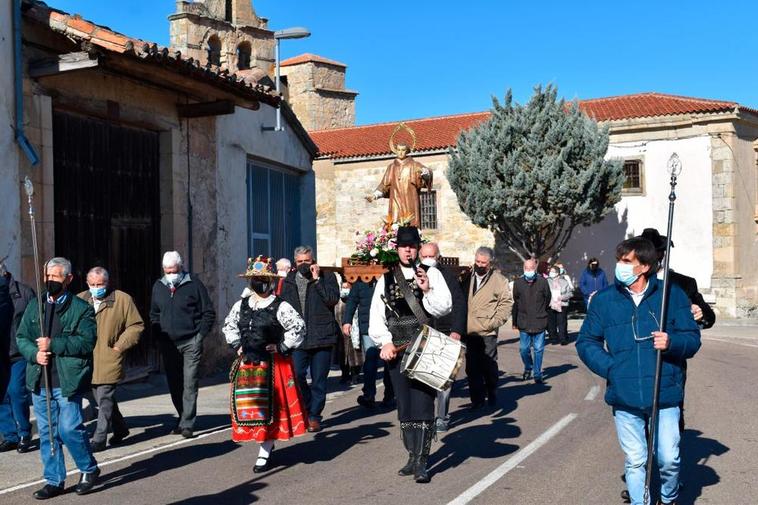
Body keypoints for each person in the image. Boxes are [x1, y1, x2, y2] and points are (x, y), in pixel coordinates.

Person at [577, 237, 701, 505]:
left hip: (664, 392)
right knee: (636, 461)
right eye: (619, 260)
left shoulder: (671, 295)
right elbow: (586, 342)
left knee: (669, 459)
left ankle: (668, 498)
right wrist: (611, 368)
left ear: (644, 266)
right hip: (624, 395)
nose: (619, 266)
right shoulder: (604, 300)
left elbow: (692, 338)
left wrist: (672, 342)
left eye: (626, 261)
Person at [369, 226, 452, 483]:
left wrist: (426, 289)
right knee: (405, 406)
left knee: (424, 405)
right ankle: (412, 456)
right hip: (398, 351)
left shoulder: (431, 274)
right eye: (404, 246)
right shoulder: (385, 279)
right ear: (397, 249)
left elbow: (444, 306)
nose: (408, 250)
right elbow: (375, 316)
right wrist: (383, 342)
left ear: (417, 248)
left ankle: (423, 461)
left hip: (425, 350)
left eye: (412, 246)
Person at [15, 257, 100, 498]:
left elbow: (86, 342)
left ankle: (88, 468)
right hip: (40, 380)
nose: (50, 281)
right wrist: (34, 354)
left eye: (56, 277)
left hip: (66, 381)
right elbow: (22, 337)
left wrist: (54, 344)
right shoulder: (36, 306)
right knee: (47, 434)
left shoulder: (81, 309)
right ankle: (54, 479)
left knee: (69, 428)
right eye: (48, 277)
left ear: (69, 279)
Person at [222, 256, 307, 473]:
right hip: (248, 364)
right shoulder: (241, 305)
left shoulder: (280, 305)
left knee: (270, 409)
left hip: (272, 365)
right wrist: (237, 345)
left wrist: (281, 347)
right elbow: (229, 326)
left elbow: (298, 327)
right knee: (252, 407)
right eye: (255, 278)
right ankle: (264, 446)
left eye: (262, 278)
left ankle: (264, 450)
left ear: (270, 281)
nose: (258, 281)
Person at [150, 251, 216, 439]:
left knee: (190, 382)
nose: (171, 273)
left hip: (190, 342)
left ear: (181, 267)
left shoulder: (194, 285)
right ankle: (181, 417)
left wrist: (200, 336)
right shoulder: (158, 286)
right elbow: (154, 313)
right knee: (174, 383)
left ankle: (188, 423)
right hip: (168, 344)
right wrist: (158, 336)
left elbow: (208, 312)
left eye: (174, 270)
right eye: (167, 270)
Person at [78, 267, 144, 452]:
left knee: (105, 397)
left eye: (100, 284)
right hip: (87, 358)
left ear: (108, 283)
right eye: (93, 284)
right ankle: (121, 428)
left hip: (109, 357)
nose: (96, 287)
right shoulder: (80, 299)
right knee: (100, 398)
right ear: (87, 283)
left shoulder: (122, 299)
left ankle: (99, 438)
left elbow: (136, 325)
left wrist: (119, 346)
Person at [280, 246, 340, 433]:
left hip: (322, 336)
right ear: (295, 262)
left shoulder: (327, 277)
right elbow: (282, 309)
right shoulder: (288, 282)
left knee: (319, 380)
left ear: (313, 260)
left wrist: (317, 280)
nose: (304, 265)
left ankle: (314, 416)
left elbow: (332, 300)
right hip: (298, 338)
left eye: (307, 261)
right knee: (297, 375)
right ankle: (306, 407)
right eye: (300, 262)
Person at [419, 243, 467, 431]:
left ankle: (442, 418)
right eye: (425, 256)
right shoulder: (415, 275)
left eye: (432, 255)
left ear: (438, 256)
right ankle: (425, 415)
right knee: (425, 376)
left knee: (445, 377)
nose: (428, 259)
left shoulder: (448, 276)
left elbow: (459, 303)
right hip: (426, 330)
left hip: (447, 332)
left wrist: (456, 330)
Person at [460, 246, 511, 410]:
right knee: (472, 368)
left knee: (488, 366)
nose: (479, 265)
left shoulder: (499, 280)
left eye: (483, 263)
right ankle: (477, 400)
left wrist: (494, 322)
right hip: (469, 331)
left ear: (490, 263)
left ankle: (492, 389)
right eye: (477, 261)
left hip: (487, 332)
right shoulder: (467, 277)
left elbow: (506, 304)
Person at [343, 278, 395, 409]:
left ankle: (389, 395)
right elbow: (352, 301)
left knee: (389, 361)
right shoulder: (360, 282)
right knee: (370, 360)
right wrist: (347, 321)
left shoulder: (389, 278)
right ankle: (369, 394)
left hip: (390, 327)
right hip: (368, 327)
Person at [0, 264, 35, 453]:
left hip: (18, 353)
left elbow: (37, 320)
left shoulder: (24, 292)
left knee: (15, 391)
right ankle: (9, 435)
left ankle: (24, 432)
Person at [365, 142, 433, 227]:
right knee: (395, 223)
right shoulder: (391, 167)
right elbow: (384, 185)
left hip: (410, 201)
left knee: (410, 224)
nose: (401, 152)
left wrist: (425, 173)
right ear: (396, 151)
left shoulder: (414, 165)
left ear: (407, 151)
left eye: (403, 150)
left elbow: (427, 174)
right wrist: (374, 195)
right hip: (395, 201)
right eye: (399, 150)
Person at [512, 259, 551, 384]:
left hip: (539, 320)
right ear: (523, 269)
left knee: (539, 349)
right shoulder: (518, 283)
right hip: (524, 322)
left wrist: (540, 311)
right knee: (524, 349)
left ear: (535, 268)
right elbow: (516, 301)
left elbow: (547, 299)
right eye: (526, 268)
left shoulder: (543, 282)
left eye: (531, 268)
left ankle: (537, 373)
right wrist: (515, 321)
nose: (529, 271)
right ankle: (528, 367)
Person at [335, 280, 363, 385]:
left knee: (355, 349)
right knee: (341, 349)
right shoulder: (336, 280)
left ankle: (355, 374)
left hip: (354, 321)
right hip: (339, 318)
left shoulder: (355, 281)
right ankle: (345, 373)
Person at [547, 265, 572, 345]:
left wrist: (563, 297)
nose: (551, 273)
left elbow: (570, 293)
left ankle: (563, 339)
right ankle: (553, 338)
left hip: (562, 304)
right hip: (550, 305)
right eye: (551, 271)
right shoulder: (546, 281)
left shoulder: (564, 282)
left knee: (562, 323)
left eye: (553, 272)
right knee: (551, 323)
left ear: (557, 273)